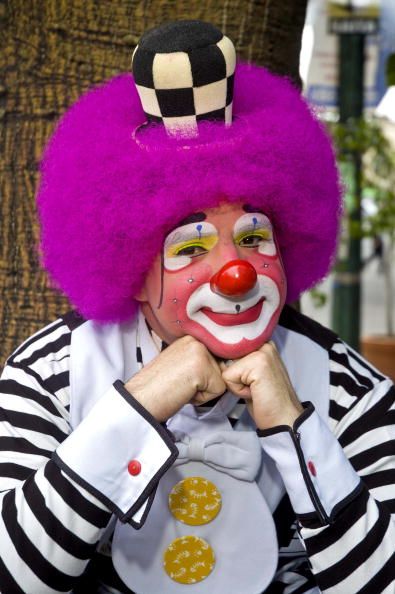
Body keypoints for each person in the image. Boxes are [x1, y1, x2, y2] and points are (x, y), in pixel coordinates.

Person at [0, 20, 394, 594]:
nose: (235, 275)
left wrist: (294, 429)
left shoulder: (342, 385)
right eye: (189, 248)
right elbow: (12, 578)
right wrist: (138, 405)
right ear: (132, 269)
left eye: (256, 240)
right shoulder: (49, 375)